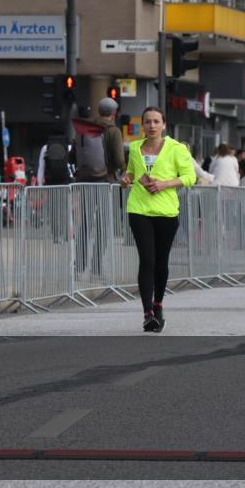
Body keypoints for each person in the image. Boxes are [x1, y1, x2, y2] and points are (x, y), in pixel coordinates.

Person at [120, 107, 196, 332]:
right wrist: (126, 179)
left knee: (161, 262)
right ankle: (147, 314)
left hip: (166, 212)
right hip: (139, 209)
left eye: (156, 121)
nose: (151, 126)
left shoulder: (176, 148)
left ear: (164, 124)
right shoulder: (135, 148)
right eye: (147, 122)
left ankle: (158, 304)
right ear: (142, 125)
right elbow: (132, 172)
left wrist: (164, 184)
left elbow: (190, 177)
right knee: (147, 260)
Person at [73, 97, 126, 183]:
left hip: (83, 181)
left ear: (99, 111)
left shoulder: (85, 128)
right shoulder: (114, 131)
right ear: (114, 112)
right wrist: (125, 168)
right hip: (105, 180)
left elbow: (73, 156)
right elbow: (119, 161)